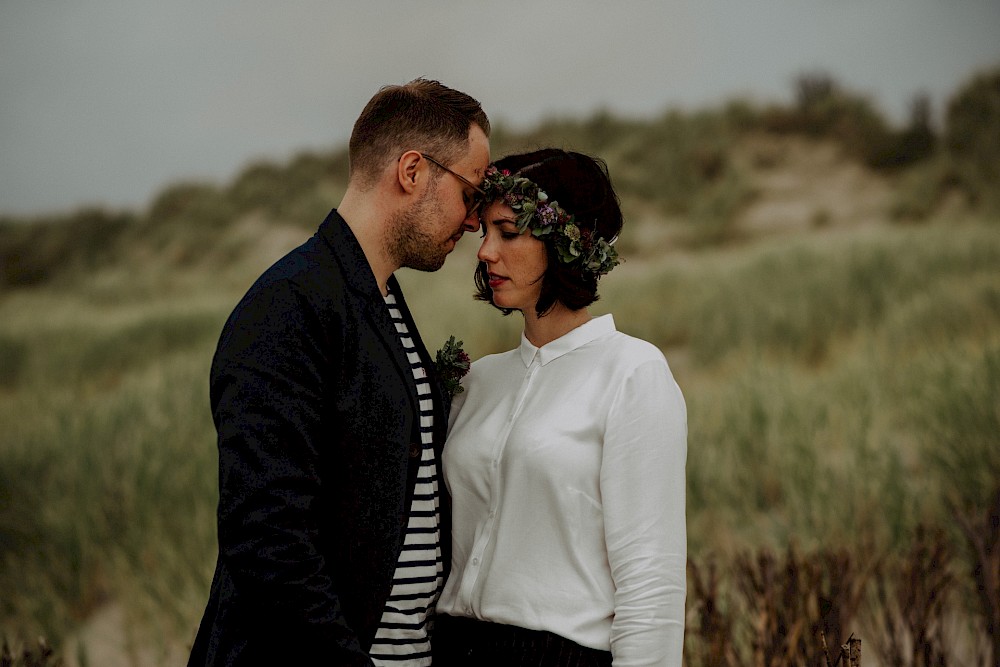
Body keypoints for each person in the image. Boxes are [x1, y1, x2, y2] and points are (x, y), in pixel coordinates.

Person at [188, 78, 490, 667]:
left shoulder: (379, 300)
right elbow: (267, 541)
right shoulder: (288, 308)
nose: (475, 221)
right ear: (411, 171)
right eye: (470, 193)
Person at [433, 149, 687, 667]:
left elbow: (650, 582)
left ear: (564, 242)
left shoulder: (632, 373)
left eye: (507, 231)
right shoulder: (477, 381)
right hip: (453, 650)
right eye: (484, 232)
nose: (485, 252)